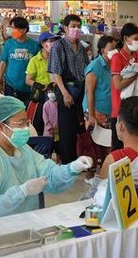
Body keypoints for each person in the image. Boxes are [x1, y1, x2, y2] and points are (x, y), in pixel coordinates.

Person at [0, 96, 93, 222]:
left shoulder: (21, 149)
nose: (26, 128)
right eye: (20, 123)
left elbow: (49, 176)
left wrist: (72, 168)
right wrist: (21, 192)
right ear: (0, 126)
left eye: (27, 122)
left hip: (27, 221)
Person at [91, 97, 138, 207]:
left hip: (109, 219)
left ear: (120, 126)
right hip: (137, 216)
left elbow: (96, 198)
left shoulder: (114, 160)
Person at [48, 14, 90, 164]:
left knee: (78, 126)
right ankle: (67, 162)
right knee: (66, 128)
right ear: (65, 28)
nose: (76, 29)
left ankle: (78, 158)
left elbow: (86, 69)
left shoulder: (82, 47)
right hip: (65, 89)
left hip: (80, 89)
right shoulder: (58, 46)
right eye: (73, 26)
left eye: (78, 26)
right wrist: (65, 93)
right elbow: (56, 72)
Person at [110, 23, 138, 150]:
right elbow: (118, 84)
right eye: (136, 39)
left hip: (137, 106)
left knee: (136, 147)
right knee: (120, 148)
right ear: (126, 39)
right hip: (121, 108)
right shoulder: (117, 57)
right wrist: (135, 74)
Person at [0, 17, 39, 104]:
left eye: (13, 28)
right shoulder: (8, 44)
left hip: (28, 87)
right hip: (11, 86)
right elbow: (3, 63)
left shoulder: (35, 46)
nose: (10, 30)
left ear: (23, 30)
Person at [26, 32, 58, 135]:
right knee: (40, 123)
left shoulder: (58, 59)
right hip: (41, 97)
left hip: (56, 95)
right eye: (50, 41)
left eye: (54, 41)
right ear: (43, 44)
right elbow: (28, 80)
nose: (53, 44)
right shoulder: (34, 60)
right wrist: (40, 86)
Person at [84, 35, 115, 130]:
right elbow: (89, 92)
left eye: (115, 48)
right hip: (97, 112)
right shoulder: (94, 67)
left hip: (110, 111)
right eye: (112, 49)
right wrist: (92, 116)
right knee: (98, 142)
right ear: (103, 51)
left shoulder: (113, 64)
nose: (115, 51)